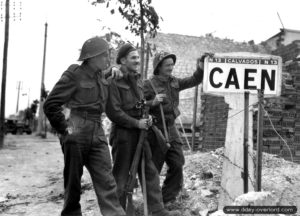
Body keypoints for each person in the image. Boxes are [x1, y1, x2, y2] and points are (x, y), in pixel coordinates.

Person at [43, 36, 126, 216]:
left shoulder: (100, 75)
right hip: (76, 127)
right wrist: (68, 131)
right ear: (92, 57)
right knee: (73, 185)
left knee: (107, 181)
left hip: (97, 130)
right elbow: (50, 105)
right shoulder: (74, 74)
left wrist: (112, 70)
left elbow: (104, 76)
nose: (108, 59)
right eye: (105, 55)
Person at [106, 43, 181, 216]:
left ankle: (157, 211)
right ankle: (119, 212)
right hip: (123, 136)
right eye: (133, 57)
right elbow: (114, 112)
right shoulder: (114, 81)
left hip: (141, 134)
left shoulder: (139, 81)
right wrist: (136, 122)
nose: (137, 60)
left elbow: (141, 105)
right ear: (122, 60)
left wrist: (146, 115)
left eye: (138, 57)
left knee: (150, 173)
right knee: (122, 177)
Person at [143, 51, 206, 206]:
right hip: (155, 130)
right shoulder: (148, 84)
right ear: (158, 66)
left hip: (171, 128)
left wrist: (201, 68)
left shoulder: (174, 82)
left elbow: (194, 80)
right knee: (154, 167)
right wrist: (152, 102)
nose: (171, 68)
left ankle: (167, 198)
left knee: (177, 163)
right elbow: (136, 104)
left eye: (172, 64)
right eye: (167, 65)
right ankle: (152, 202)